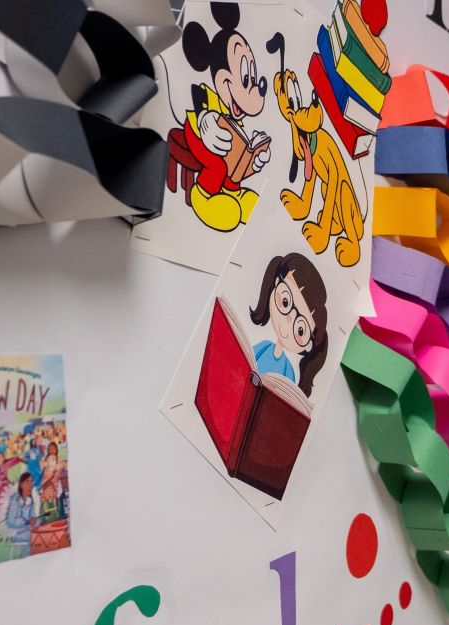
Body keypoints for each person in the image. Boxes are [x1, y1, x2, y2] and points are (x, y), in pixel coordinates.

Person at [173, 2, 273, 231]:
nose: (254, 88)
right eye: (246, 79)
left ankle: (233, 194)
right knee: (218, 166)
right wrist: (205, 119)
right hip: (198, 132)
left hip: (224, 140)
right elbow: (198, 101)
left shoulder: (234, 114)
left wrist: (254, 159)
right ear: (222, 79)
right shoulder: (207, 94)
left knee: (236, 162)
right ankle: (203, 196)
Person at [247, 253, 330, 395]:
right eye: (285, 301)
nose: (289, 319)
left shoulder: (288, 371)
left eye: (300, 329)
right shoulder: (265, 346)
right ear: (275, 284)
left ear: (309, 344)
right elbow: (246, 360)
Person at [0, 472, 39, 561]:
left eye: (31, 481)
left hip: (28, 531)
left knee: (39, 535)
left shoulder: (30, 500)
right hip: (17, 533)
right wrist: (26, 521)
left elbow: (33, 519)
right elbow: (11, 521)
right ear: (21, 485)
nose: (30, 485)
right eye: (27, 481)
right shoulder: (15, 500)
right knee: (35, 537)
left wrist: (35, 521)